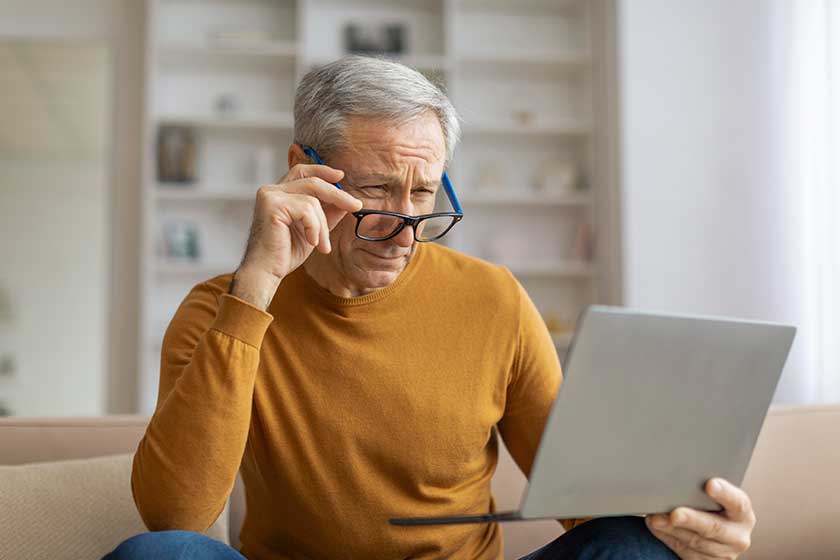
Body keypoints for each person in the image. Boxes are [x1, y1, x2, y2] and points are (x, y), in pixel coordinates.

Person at [106, 56, 755, 560]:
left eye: (423, 192)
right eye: (378, 190)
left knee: (637, 546)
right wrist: (255, 287)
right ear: (302, 172)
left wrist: (687, 530)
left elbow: (584, 506)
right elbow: (177, 517)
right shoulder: (220, 309)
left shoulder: (493, 299)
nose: (407, 227)